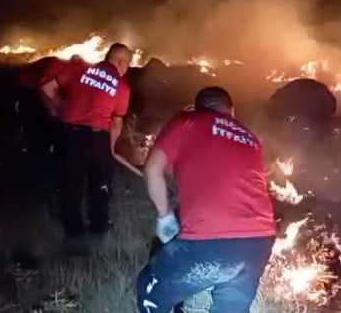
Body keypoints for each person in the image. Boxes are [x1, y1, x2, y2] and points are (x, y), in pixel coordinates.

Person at [136, 86, 275, 313]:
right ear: (232, 111)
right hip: (259, 240)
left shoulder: (187, 121)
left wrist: (164, 217)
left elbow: (152, 169)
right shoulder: (250, 137)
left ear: (197, 108)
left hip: (208, 240)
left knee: (148, 287)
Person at [40, 43, 132, 238]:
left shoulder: (80, 69)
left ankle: (73, 232)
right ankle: (98, 229)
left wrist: (57, 109)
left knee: (70, 184)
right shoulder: (121, 86)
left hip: (70, 135)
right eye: (128, 64)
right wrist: (111, 149)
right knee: (100, 184)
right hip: (98, 137)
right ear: (122, 62)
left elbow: (47, 87)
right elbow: (116, 124)